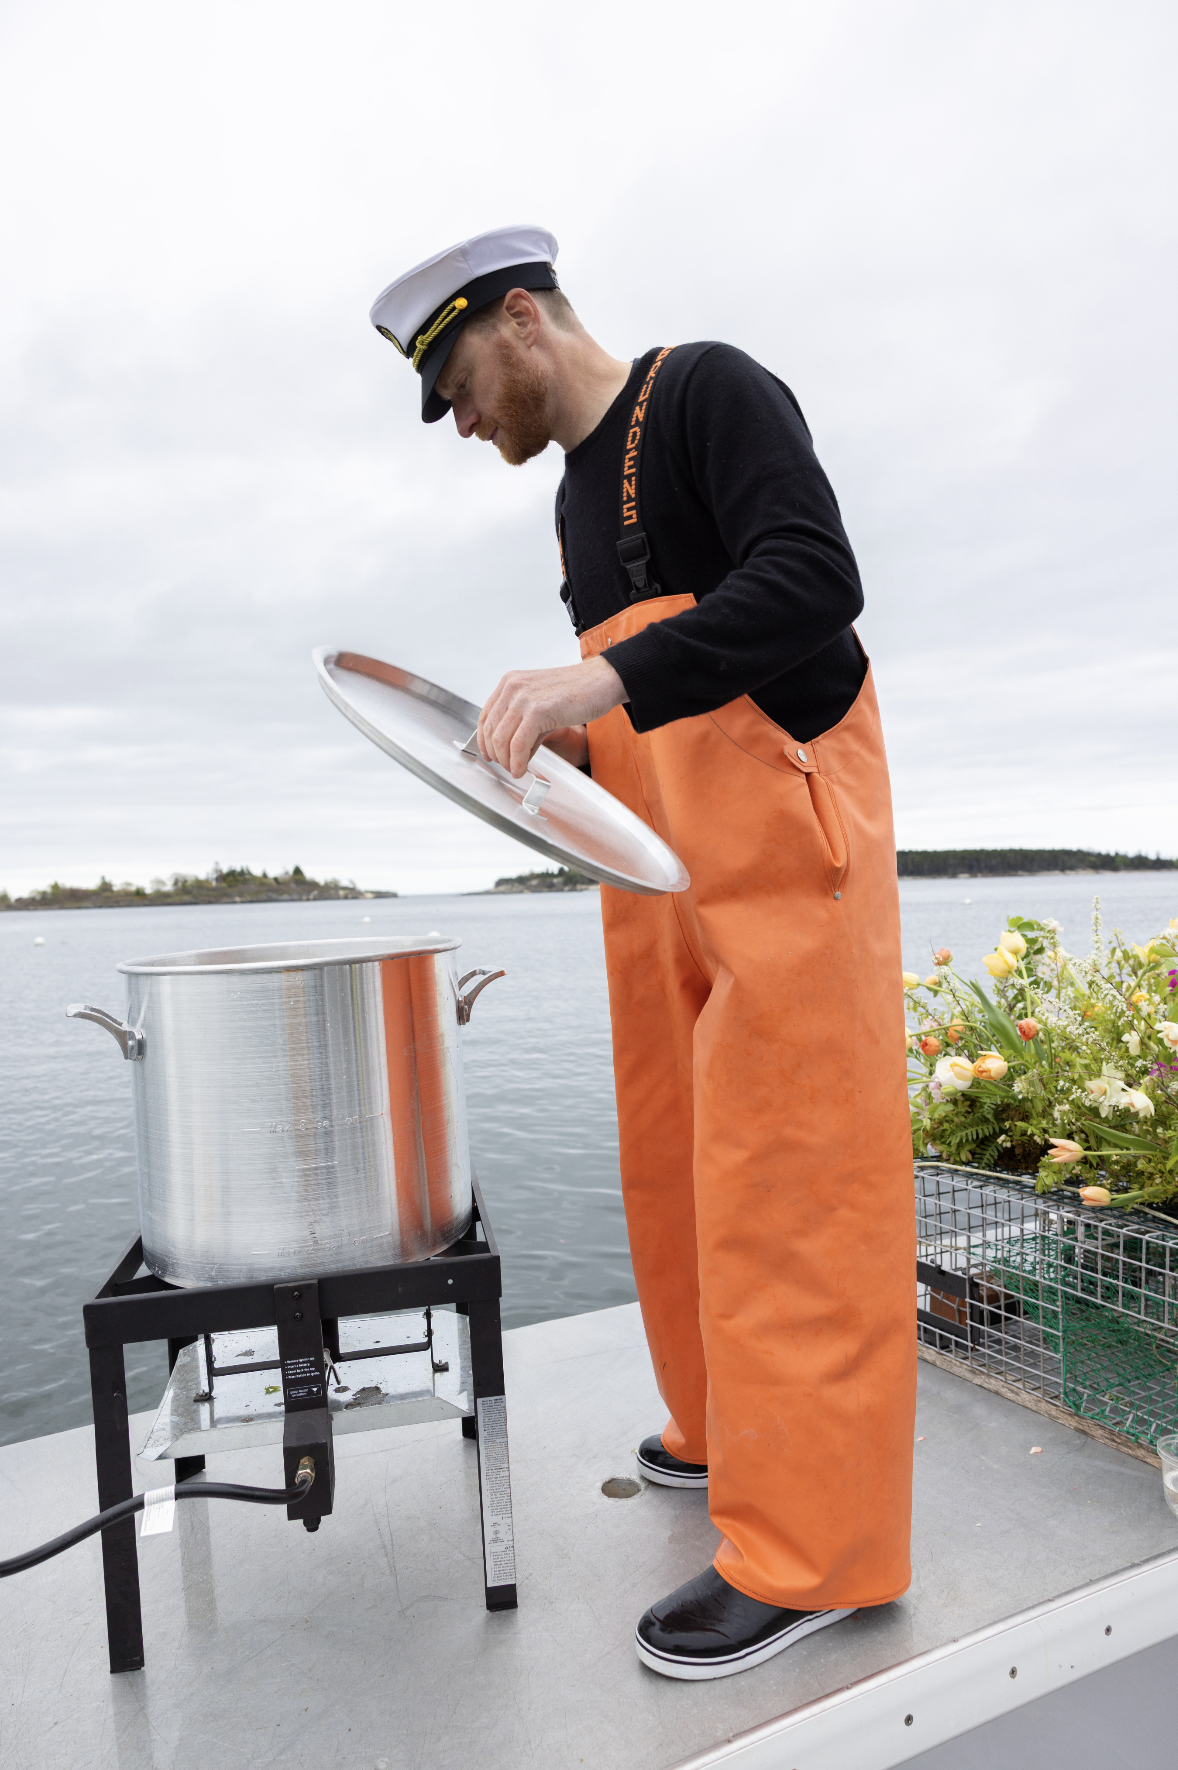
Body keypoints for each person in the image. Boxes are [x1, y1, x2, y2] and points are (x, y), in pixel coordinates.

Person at [368, 226, 916, 1681]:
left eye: (460, 384)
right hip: (656, 864)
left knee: (791, 1175)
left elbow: (813, 579)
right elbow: (633, 692)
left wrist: (599, 675)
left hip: (788, 846)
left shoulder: (707, 394)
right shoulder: (567, 504)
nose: (462, 419)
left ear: (525, 320)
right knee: (676, 1155)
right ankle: (723, 1428)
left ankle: (813, 1551)